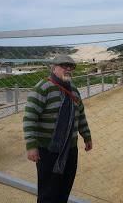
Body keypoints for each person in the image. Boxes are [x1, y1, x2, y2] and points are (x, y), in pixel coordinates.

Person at [23, 55, 92, 203]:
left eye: (71, 67)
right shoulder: (42, 88)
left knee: (65, 187)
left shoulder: (74, 90)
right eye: (64, 66)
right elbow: (29, 118)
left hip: (71, 149)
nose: (68, 69)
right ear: (53, 68)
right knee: (48, 191)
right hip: (48, 151)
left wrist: (87, 137)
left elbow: (81, 116)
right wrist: (31, 146)